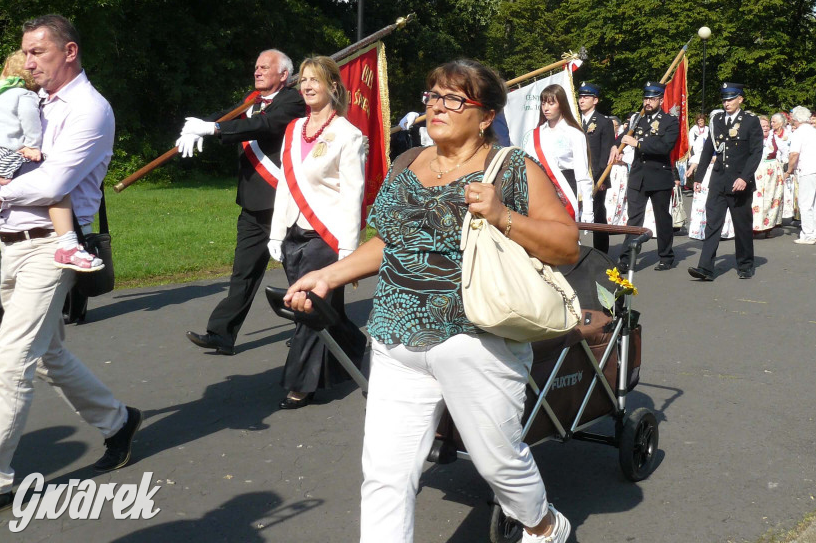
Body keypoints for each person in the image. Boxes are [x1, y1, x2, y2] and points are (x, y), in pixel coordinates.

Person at [284, 59, 578, 543]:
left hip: (477, 339)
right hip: (396, 337)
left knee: (498, 462)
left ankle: (545, 526)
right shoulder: (407, 163)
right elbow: (390, 240)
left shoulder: (513, 168)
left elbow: (566, 245)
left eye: (454, 99)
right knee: (385, 474)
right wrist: (329, 275)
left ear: (485, 116)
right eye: (433, 96)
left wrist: (503, 215)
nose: (437, 106)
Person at [0, 15, 142, 511]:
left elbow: (53, 183)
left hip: (48, 247)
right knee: (47, 355)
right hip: (9, 242)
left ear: (70, 51)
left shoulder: (90, 109)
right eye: (26, 52)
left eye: (38, 52)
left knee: (12, 360)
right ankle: (119, 421)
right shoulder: (29, 103)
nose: (29, 61)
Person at [178, 49, 306, 355]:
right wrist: (198, 126)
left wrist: (216, 129)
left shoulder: (292, 101)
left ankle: (314, 334)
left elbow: (265, 126)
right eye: (256, 67)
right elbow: (224, 119)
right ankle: (221, 334)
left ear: (284, 75)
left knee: (300, 276)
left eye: (265, 67)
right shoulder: (251, 102)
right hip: (252, 205)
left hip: (282, 204)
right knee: (243, 273)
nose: (257, 71)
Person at [268, 57, 367, 409]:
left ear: (333, 87)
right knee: (326, 311)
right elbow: (285, 185)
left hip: (325, 237)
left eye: (315, 80)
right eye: (304, 81)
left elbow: (353, 195)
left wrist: (348, 252)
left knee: (309, 309)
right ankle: (359, 350)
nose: (308, 86)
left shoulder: (348, 135)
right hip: (294, 233)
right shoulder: (294, 130)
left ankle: (299, 385)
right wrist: (276, 233)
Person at [0, 51, 104, 272]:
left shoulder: (2, 94)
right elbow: (29, 122)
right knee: (57, 183)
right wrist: (33, 146)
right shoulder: (24, 95)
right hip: (10, 156)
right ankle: (68, 245)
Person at [687, 83, 761, 281]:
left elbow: (756, 153)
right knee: (712, 224)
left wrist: (745, 177)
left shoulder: (750, 121)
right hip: (719, 180)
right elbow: (708, 149)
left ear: (740, 99)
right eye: (724, 99)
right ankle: (706, 267)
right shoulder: (717, 120)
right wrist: (699, 177)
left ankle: (745, 264)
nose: (726, 103)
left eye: (730, 99)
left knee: (742, 224)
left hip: (739, 181)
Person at [615, 81, 681, 271]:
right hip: (638, 176)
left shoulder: (670, 121)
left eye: (652, 98)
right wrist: (615, 145)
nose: (648, 102)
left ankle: (666, 256)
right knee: (634, 219)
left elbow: (664, 147)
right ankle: (627, 258)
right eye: (646, 98)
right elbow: (623, 138)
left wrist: (638, 144)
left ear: (660, 99)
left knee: (662, 218)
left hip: (659, 175)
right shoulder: (638, 119)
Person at [524, 84, 593, 224]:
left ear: (561, 104)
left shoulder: (574, 134)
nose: (546, 108)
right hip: (540, 188)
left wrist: (587, 210)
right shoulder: (535, 134)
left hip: (565, 187)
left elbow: (583, 176)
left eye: (551, 103)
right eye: (543, 103)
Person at [784, 106, 816, 245]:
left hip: (809, 168)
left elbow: (794, 154)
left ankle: (808, 235)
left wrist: (789, 170)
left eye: (792, 118)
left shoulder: (799, 132)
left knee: (805, 203)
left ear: (797, 119)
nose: (792, 120)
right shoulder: (813, 130)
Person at [577, 82, 615, 252]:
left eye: (586, 97)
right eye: (580, 96)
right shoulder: (574, 121)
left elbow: (606, 153)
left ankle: (601, 252)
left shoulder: (603, 122)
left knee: (598, 214)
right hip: (577, 174)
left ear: (595, 100)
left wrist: (601, 179)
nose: (581, 100)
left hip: (596, 176)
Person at [687, 108, 734, 242]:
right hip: (707, 172)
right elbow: (700, 155)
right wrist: (693, 168)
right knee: (704, 201)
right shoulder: (704, 136)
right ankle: (702, 231)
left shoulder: (730, 134)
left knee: (721, 201)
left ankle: (723, 231)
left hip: (723, 171)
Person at [752, 114, 785, 236]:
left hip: (772, 173)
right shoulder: (753, 139)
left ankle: (768, 227)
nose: (765, 128)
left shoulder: (775, 138)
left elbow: (786, 152)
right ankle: (754, 226)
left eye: (767, 125)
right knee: (756, 198)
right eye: (762, 126)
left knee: (771, 199)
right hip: (757, 171)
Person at [686, 113, 709, 191]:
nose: (700, 122)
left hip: (704, 149)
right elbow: (690, 141)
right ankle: (692, 184)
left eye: (701, 120)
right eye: (699, 121)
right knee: (692, 167)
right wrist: (689, 152)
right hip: (695, 150)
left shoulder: (707, 129)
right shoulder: (694, 129)